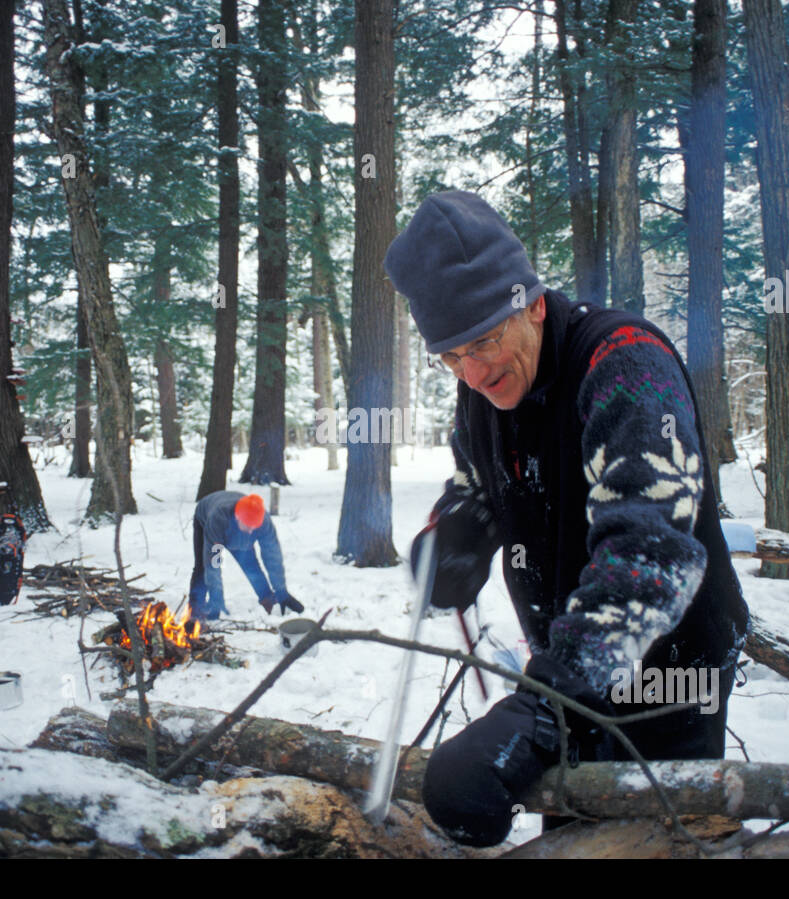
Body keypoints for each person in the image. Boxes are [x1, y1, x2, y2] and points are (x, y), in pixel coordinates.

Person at [384, 190, 749, 847]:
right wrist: (457, 529)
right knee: (569, 834)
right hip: (567, 671)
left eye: (485, 341)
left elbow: (651, 554)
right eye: (450, 357)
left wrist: (548, 706)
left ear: (532, 302)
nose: (472, 372)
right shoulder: (483, 393)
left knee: (656, 841)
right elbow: (474, 481)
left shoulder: (625, 362)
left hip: (668, 676)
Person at [189, 490, 304, 620]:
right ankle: (196, 607)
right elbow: (213, 565)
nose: (251, 532)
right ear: (238, 518)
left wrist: (282, 591)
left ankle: (268, 599)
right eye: (248, 527)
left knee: (250, 565)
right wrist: (217, 599)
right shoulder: (219, 518)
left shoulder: (264, 522)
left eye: (254, 528)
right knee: (202, 568)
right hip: (206, 520)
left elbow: (273, 558)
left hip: (234, 528)